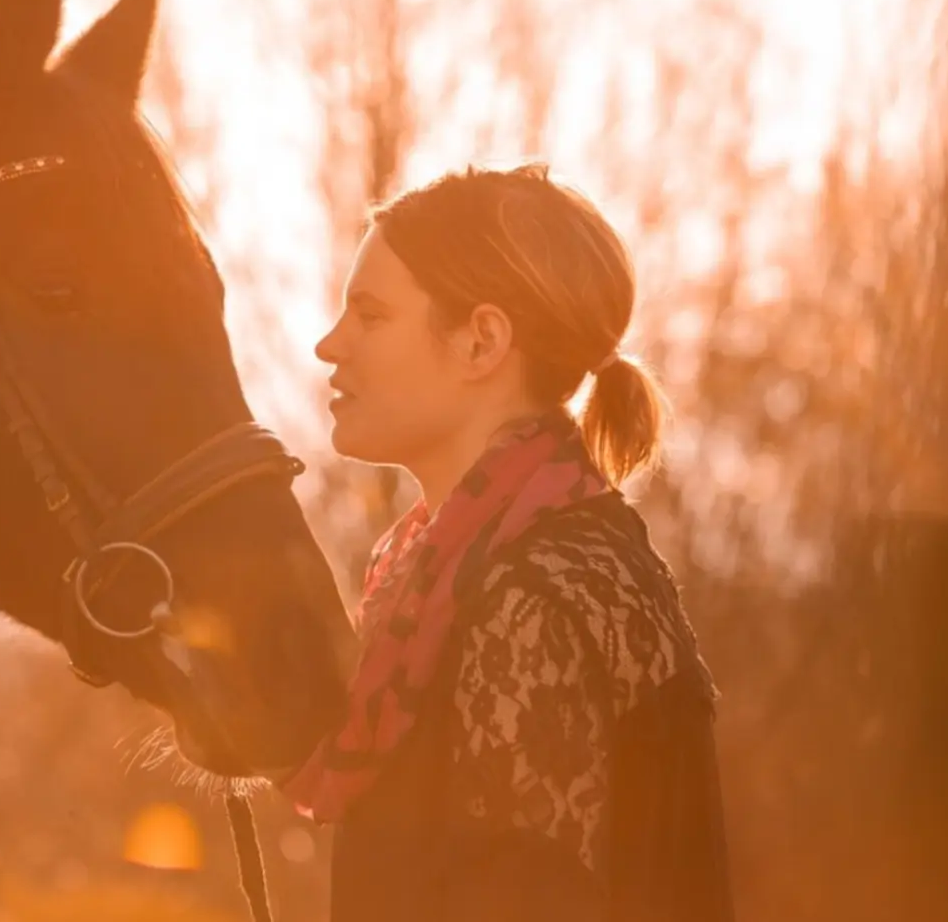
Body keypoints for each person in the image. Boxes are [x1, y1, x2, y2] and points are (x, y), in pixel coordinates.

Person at [278, 162, 734, 922]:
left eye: (370, 314)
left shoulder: (533, 595)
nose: (331, 344)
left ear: (481, 341)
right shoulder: (479, 571)